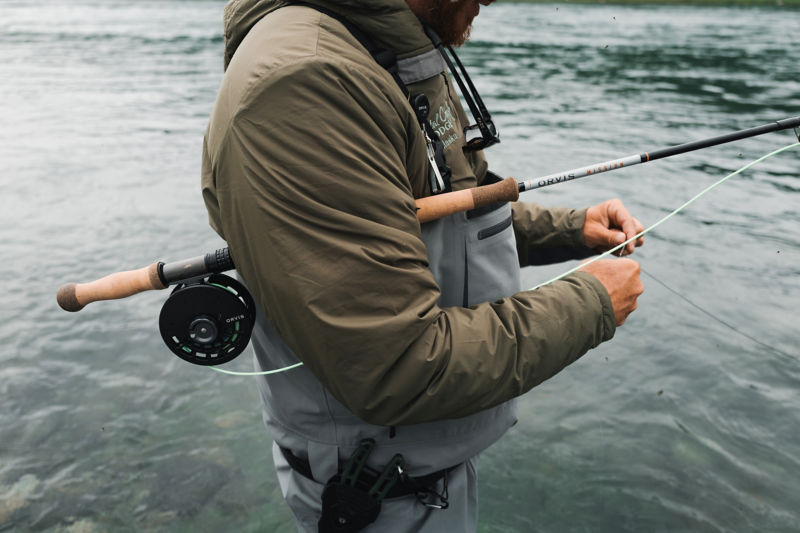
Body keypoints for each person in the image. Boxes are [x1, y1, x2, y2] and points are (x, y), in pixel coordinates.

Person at [201, 0, 644, 531]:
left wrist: (571, 229)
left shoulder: (377, 47)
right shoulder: (308, 81)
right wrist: (591, 302)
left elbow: (434, 213)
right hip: (376, 492)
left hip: (409, 473)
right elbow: (397, 365)